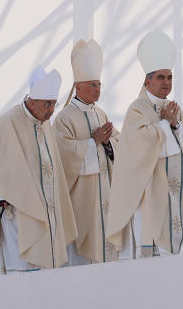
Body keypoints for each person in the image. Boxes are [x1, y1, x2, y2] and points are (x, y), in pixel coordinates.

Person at [105, 30, 183, 258]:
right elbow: (138, 144)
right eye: (160, 77)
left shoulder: (174, 109)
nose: (166, 83)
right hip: (148, 193)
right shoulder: (137, 109)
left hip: (173, 193)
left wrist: (176, 125)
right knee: (149, 257)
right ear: (147, 80)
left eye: (170, 77)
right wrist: (166, 125)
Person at [0, 69, 77, 272]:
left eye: (54, 104)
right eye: (47, 104)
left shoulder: (45, 124)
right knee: (23, 274)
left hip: (48, 213)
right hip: (19, 215)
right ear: (33, 100)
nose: (52, 110)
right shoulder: (8, 122)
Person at [53, 40, 123, 265]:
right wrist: (93, 142)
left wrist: (109, 142)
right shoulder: (64, 118)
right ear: (78, 86)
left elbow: (118, 146)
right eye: (92, 84)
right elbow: (64, 156)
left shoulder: (101, 114)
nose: (97, 89)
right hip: (81, 198)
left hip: (105, 194)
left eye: (99, 84)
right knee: (82, 260)